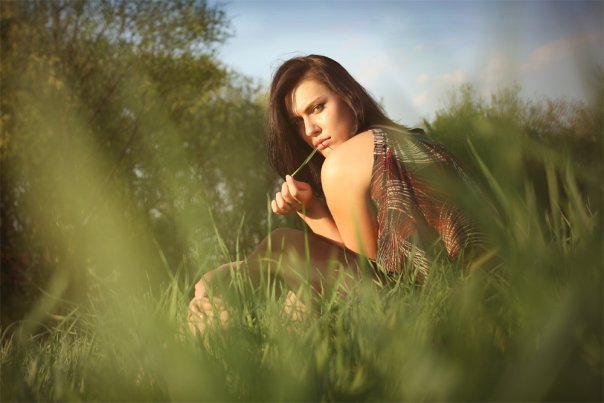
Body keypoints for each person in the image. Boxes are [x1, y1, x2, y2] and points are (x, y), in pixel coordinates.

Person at [188, 54, 482, 332]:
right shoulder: (411, 142)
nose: (309, 130)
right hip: (477, 288)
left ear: (349, 96)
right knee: (278, 272)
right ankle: (222, 317)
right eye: (297, 121)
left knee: (279, 256)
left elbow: (372, 277)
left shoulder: (342, 163)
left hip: (450, 306)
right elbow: (366, 263)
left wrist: (309, 215)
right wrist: (309, 209)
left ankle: (219, 326)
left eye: (317, 108)